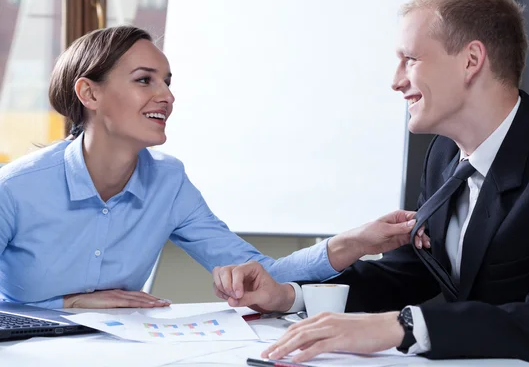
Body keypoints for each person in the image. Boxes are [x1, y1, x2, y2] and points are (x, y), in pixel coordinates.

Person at [210, 0, 529, 367]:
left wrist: (404, 327)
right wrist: (289, 295)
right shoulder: (444, 154)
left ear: (471, 60)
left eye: (410, 59)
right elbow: (410, 273)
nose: (396, 81)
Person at [0, 26, 428, 310]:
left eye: (168, 81)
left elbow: (263, 274)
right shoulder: (17, 187)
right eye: (145, 80)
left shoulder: (168, 181)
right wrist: (66, 304)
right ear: (89, 94)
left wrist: (356, 241)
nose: (166, 96)